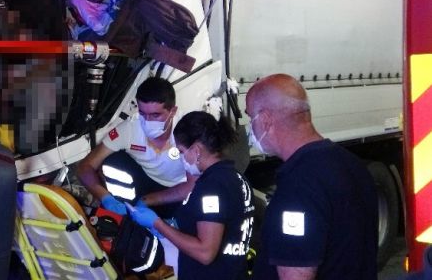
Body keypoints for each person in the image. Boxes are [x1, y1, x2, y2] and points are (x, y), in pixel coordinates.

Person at [246, 73, 378, 280]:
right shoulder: (352, 164)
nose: (250, 128)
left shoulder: (298, 187)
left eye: (250, 118)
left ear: (265, 120)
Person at [129, 111, 255, 280]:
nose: (181, 158)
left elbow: (205, 253)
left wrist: (158, 224)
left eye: (181, 151)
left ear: (196, 150)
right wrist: (172, 227)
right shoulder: (237, 178)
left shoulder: (211, 187)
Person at [77, 76, 196, 217]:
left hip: (176, 187)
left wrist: (147, 201)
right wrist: (104, 197)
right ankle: (121, 207)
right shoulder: (129, 128)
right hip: (142, 179)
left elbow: (193, 185)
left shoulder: (188, 131)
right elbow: (85, 166)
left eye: (155, 115)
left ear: (173, 111)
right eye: (142, 113)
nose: (147, 122)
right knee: (113, 160)